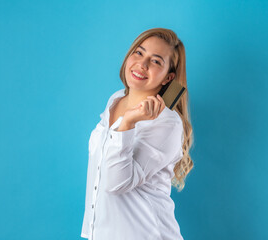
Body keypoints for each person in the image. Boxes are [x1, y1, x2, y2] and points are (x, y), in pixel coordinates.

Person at [81, 28, 194, 240]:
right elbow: (100, 174)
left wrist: (129, 122)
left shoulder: (167, 123)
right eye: (139, 53)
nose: (142, 64)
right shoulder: (115, 100)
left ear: (168, 78)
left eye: (156, 61)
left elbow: (116, 184)